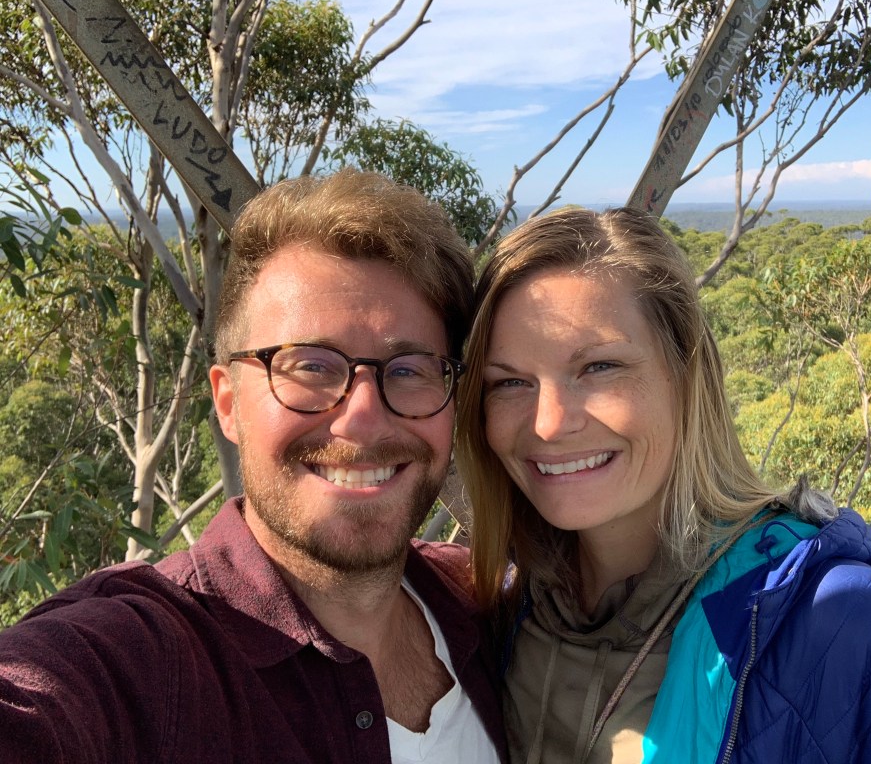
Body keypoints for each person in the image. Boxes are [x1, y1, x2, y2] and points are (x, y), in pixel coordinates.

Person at [454, 206, 871, 764]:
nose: (549, 424)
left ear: (686, 375)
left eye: (598, 367)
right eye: (509, 383)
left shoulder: (846, 624)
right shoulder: (503, 608)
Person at [0, 170, 506, 764]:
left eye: (409, 369)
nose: (364, 420)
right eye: (311, 366)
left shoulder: (482, 603)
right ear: (228, 403)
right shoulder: (142, 661)